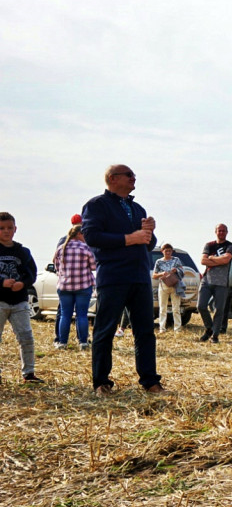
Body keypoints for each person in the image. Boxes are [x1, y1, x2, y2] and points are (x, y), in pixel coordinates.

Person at [81, 165, 166, 395]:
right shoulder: (96, 205)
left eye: (134, 175)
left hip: (139, 276)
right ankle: (101, 383)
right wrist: (130, 238)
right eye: (128, 175)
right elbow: (92, 236)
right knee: (105, 330)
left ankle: (151, 382)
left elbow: (148, 243)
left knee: (145, 331)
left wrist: (150, 232)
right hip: (114, 275)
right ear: (112, 178)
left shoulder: (137, 208)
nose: (133, 178)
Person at [0, 212, 44, 384]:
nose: (6, 231)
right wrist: (2, 282)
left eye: (10, 228)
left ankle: (29, 373)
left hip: (19, 302)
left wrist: (22, 283)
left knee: (26, 337)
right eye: (2, 228)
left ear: (15, 229)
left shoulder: (23, 252)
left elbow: (31, 274)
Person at [52, 224, 96, 349]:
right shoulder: (85, 248)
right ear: (79, 234)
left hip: (64, 286)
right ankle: (83, 342)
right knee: (81, 315)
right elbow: (93, 266)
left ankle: (62, 342)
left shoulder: (61, 248)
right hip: (83, 285)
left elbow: (56, 266)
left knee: (65, 315)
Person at [198, 224, 232, 343]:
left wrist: (212, 259)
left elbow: (226, 259)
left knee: (219, 309)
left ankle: (215, 335)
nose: (221, 232)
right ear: (215, 232)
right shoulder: (209, 245)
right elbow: (203, 260)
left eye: (223, 231)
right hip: (207, 280)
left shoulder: (230, 246)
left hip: (222, 283)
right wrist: (219, 261)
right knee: (201, 306)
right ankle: (209, 328)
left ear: (227, 232)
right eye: (219, 230)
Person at [52, 213, 84, 347]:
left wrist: (60, 273)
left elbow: (56, 260)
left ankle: (60, 339)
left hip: (65, 283)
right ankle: (81, 339)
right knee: (81, 313)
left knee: (64, 312)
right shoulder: (85, 240)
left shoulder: (63, 240)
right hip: (82, 282)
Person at [152, 243, 185, 333]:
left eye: (169, 251)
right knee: (162, 308)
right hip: (163, 286)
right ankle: (162, 328)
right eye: (166, 251)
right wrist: (162, 274)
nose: (168, 252)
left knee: (176, 308)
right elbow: (154, 275)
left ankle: (177, 329)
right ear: (162, 251)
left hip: (175, 285)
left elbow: (182, 272)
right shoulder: (159, 261)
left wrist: (176, 270)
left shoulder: (176, 260)